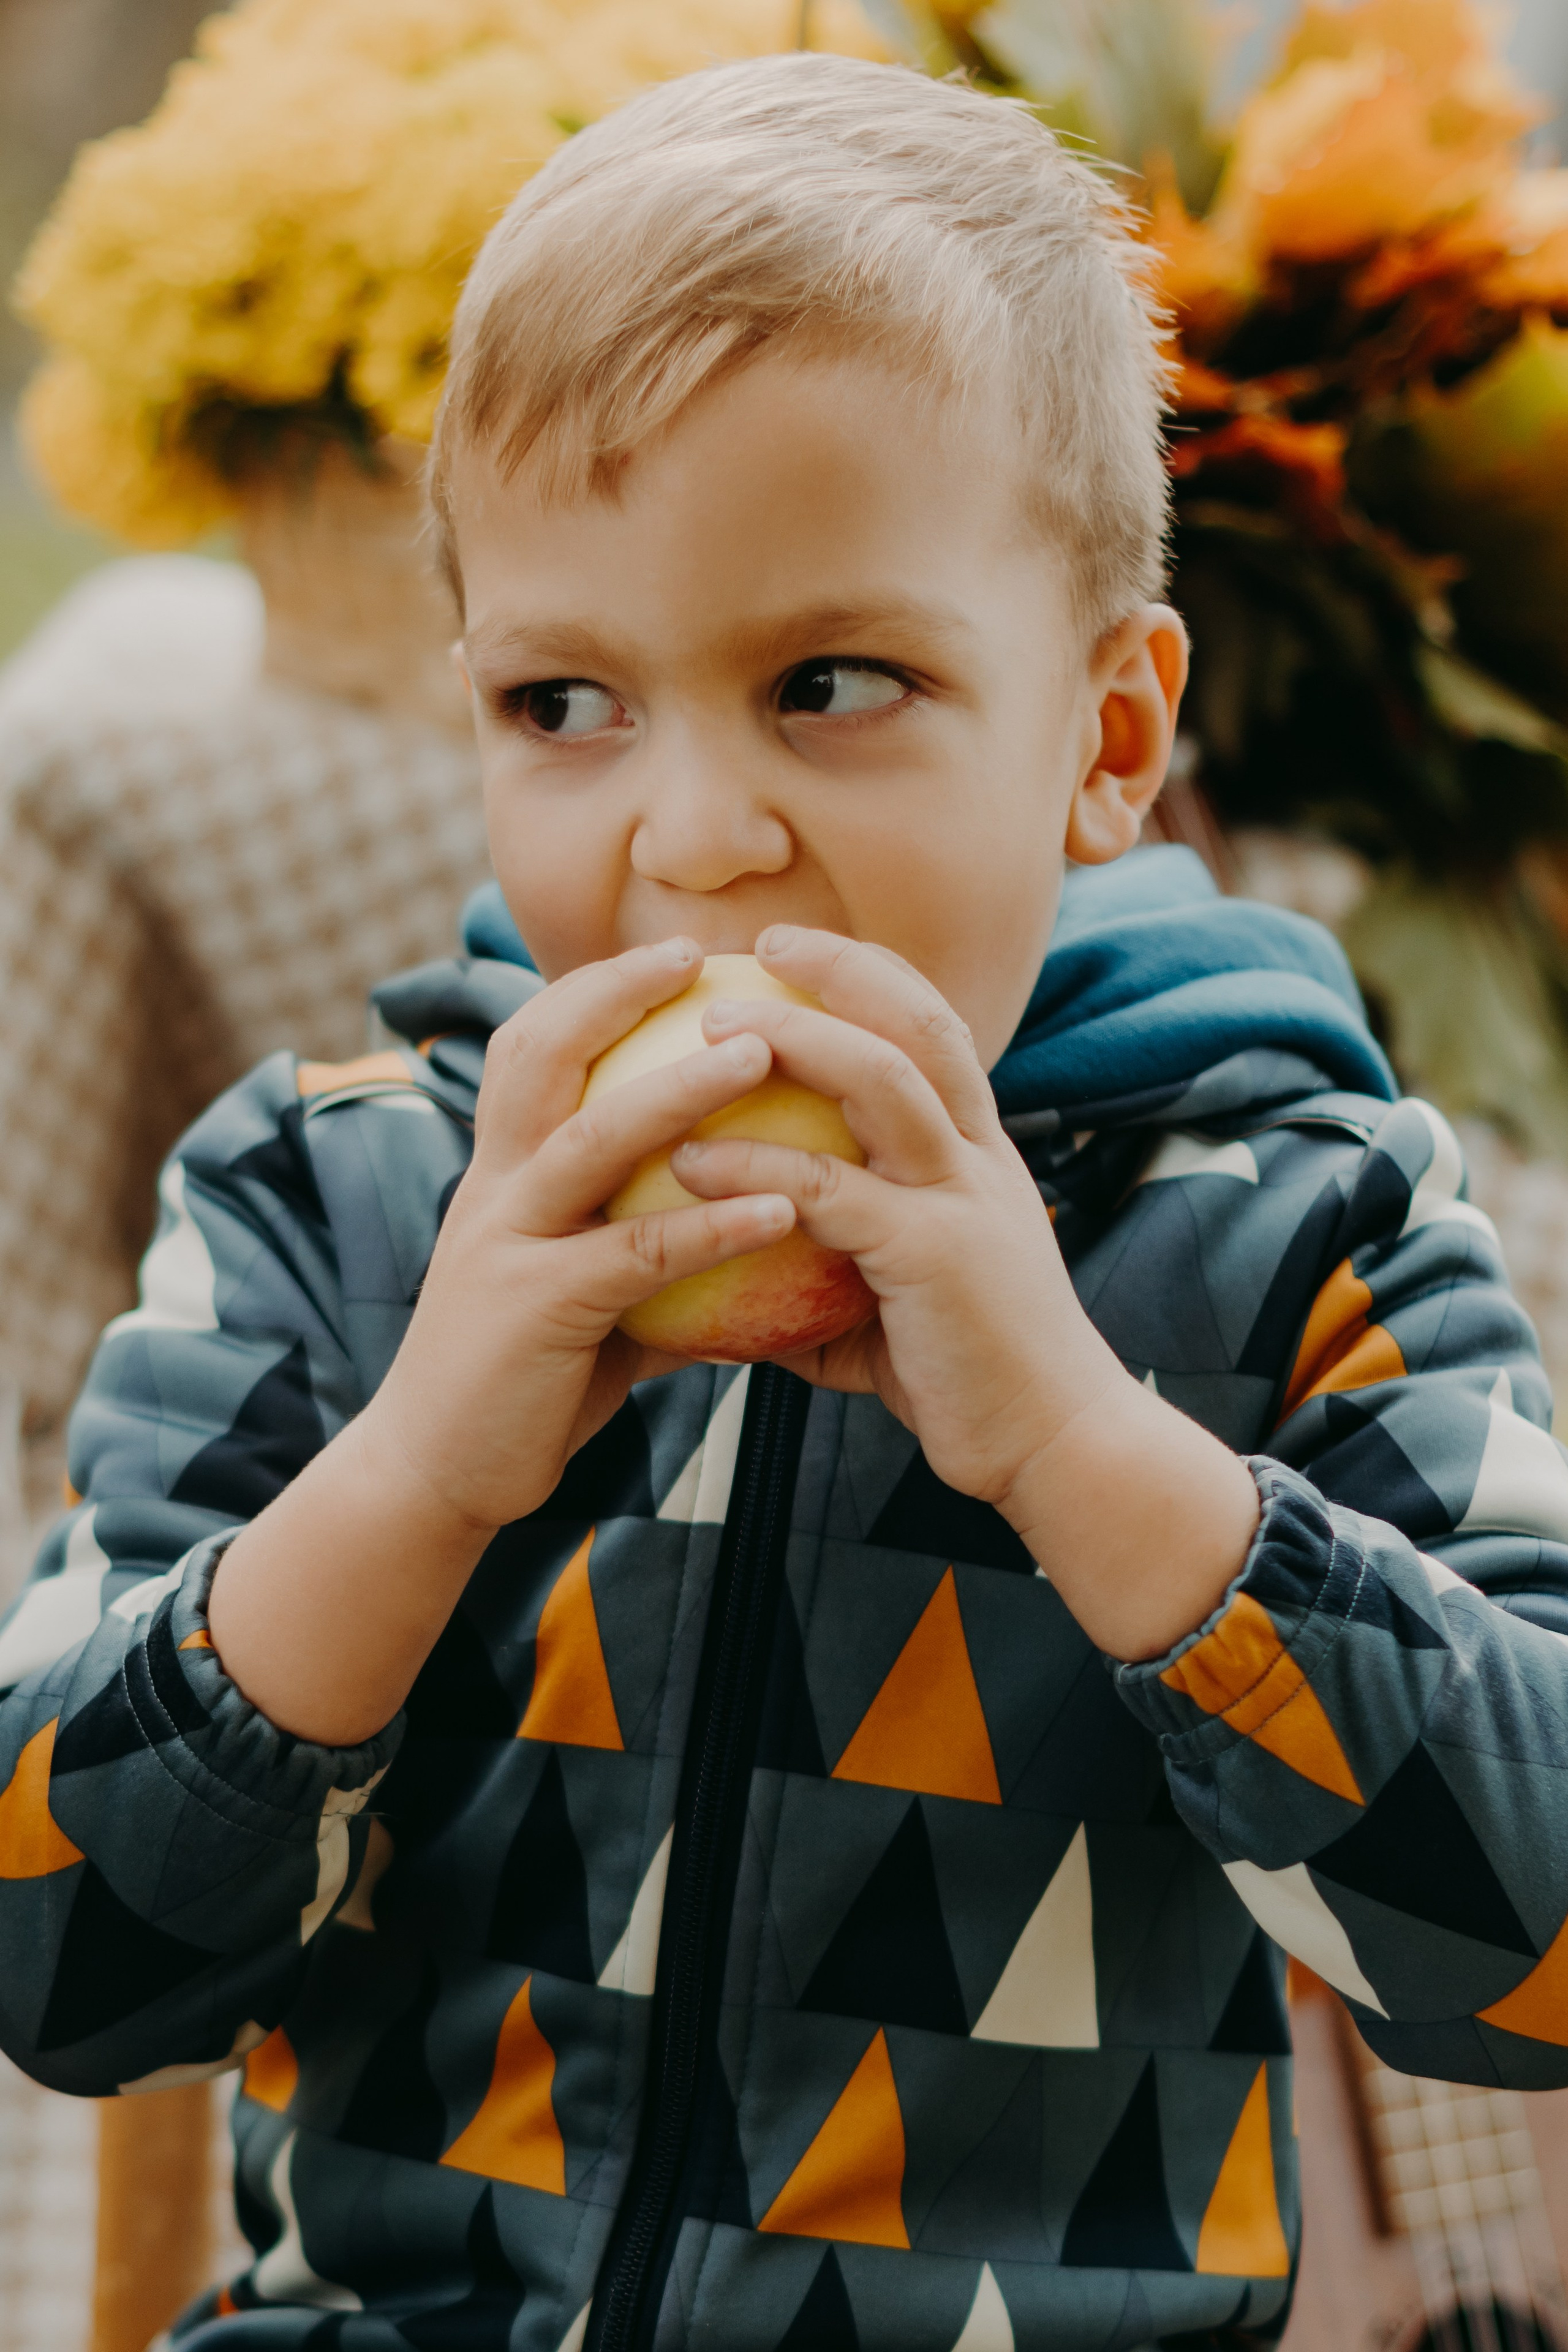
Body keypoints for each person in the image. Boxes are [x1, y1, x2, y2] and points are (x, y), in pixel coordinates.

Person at [2, 52, 1567, 2352]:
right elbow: (59, 1966)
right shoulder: (330, 1203)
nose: (699, 836)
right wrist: (415, 1476)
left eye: (832, 682)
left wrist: (1088, 1451)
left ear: (1106, 742)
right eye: (565, 703)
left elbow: (1532, 1957)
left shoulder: (1300, 1227)